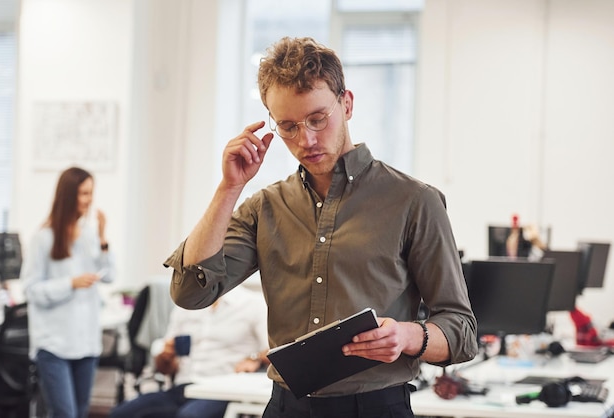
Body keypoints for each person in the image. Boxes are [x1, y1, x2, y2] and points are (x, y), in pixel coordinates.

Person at [164, 36, 478, 418]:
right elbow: (190, 292)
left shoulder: (414, 201)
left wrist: (409, 335)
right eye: (288, 127)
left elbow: (462, 331)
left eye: (317, 119)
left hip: (377, 408)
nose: (306, 140)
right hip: (286, 408)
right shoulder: (265, 207)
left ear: (346, 103)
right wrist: (229, 188)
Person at [22, 166, 116, 418]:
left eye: (91, 193)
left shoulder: (88, 234)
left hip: (86, 344)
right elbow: (30, 290)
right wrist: (70, 283)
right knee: (64, 413)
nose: (89, 200)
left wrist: (103, 238)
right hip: (54, 345)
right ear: (68, 195)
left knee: (81, 411)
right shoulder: (43, 238)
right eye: (84, 193)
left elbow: (109, 276)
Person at [108, 284, 268, 418]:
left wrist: (254, 358)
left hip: (222, 391)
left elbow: (272, 349)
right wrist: (165, 357)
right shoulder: (187, 305)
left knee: (188, 416)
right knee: (121, 413)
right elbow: (166, 368)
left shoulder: (252, 304)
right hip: (182, 388)